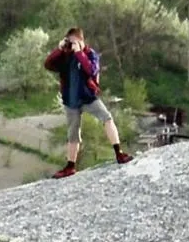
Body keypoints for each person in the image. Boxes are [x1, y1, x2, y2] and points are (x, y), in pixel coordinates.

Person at [43, 28, 132, 178]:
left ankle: (119, 153)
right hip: (71, 100)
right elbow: (48, 65)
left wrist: (79, 53)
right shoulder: (64, 56)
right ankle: (70, 166)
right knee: (72, 133)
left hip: (88, 97)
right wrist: (59, 49)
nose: (71, 46)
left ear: (81, 41)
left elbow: (91, 70)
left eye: (73, 42)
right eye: (69, 42)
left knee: (107, 118)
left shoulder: (90, 54)